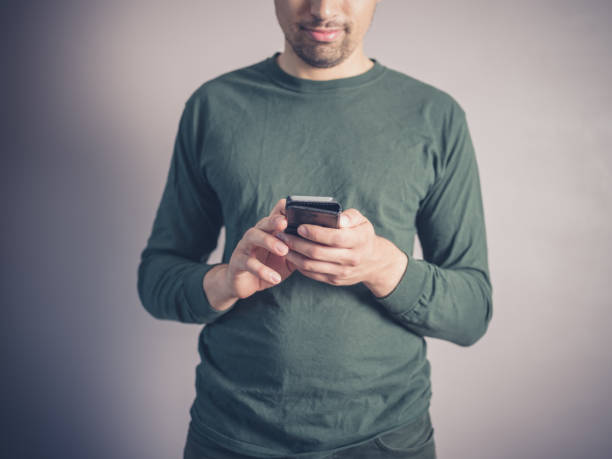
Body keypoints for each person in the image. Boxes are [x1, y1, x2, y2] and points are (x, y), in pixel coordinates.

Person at [137, 0, 493, 458]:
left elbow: (471, 314)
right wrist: (226, 281)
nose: (323, 8)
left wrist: (383, 267)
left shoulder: (436, 116)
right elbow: (157, 279)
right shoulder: (213, 106)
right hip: (229, 435)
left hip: (385, 440)